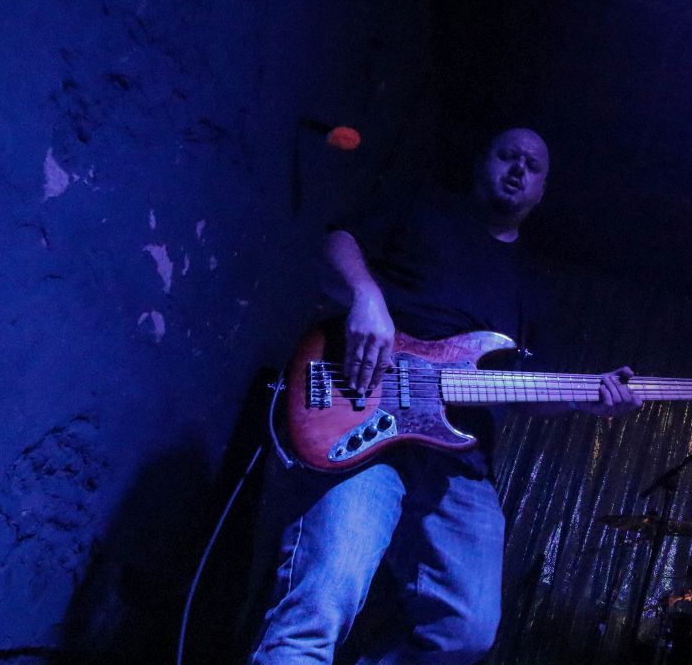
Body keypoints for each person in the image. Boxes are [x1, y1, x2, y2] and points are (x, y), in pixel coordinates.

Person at [249, 128, 643, 664]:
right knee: (320, 605)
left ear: (542, 190)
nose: (518, 169)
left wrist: (586, 398)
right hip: (364, 417)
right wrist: (366, 296)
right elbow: (337, 242)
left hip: (460, 464)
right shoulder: (423, 208)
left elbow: (528, 391)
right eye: (508, 155)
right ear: (483, 161)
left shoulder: (532, 286)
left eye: (532, 166)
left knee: (466, 630)